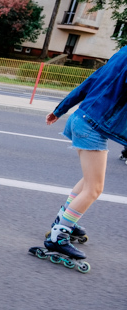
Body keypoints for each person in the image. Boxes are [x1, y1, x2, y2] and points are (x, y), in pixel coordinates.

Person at [43, 45, 127, 261]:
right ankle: (58, 236)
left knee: (88, 181)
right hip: (91, 126)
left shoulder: (121, 54)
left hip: (82, 119)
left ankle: (64, 218)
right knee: (95, 189)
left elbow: (89, 82)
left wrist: (60, 109)